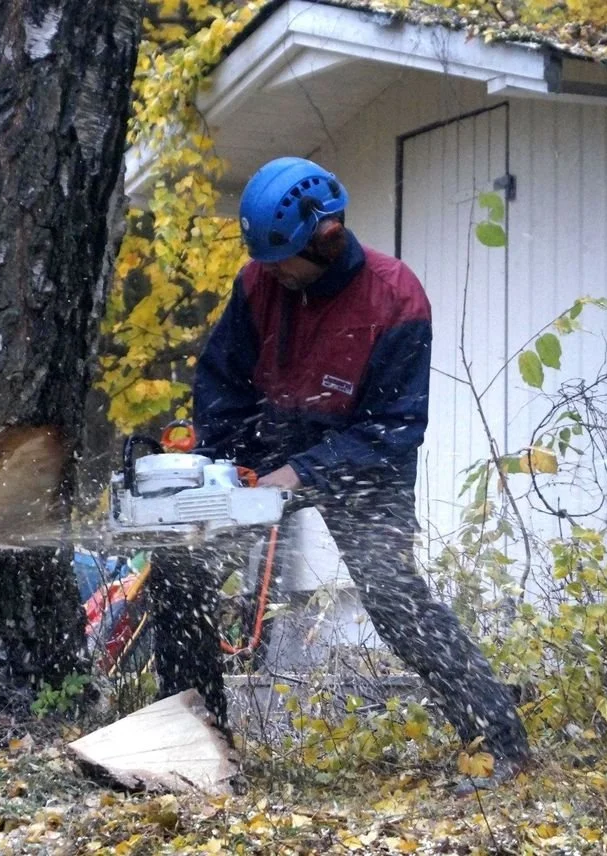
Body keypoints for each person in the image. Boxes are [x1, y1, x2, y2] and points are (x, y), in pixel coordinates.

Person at [146, 156, 529, 793]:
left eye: (283, 260)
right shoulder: (259, 284)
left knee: (393, 595)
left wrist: (302, 474)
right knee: (179, 567)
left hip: (362, 458)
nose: (272, 273)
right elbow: (220, 381)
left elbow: (394, 429)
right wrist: (230, 467)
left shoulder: (395, 296)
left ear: (324, 238)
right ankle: (196, 748)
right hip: (269, 439)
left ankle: (498, 743)